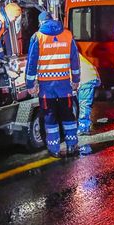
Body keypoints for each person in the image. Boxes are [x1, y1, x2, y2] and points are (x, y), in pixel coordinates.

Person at [26, 12, 81, 157]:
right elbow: (75, 60)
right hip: (64, 84)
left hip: (46, 86)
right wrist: (76, 80)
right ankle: (71, 146)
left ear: (41, 22)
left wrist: (30, 84)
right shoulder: (68, 35)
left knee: (50, 116)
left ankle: (54, 149)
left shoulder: (37, 37)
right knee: (68, 115)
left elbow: (31, 63)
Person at [77, 53, 100, 135]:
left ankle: (84, 128)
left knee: (83, 104)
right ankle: (83, 126)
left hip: (86, 79)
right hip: (88, 77)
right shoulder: (67, 49)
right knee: (83, 104)